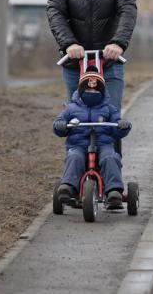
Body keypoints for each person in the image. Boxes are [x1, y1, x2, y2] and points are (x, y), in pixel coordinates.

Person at [53, 66, 132, 208]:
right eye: (88, 90)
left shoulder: (108, 109)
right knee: (74, 157)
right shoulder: (71, 108)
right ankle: (69, 186)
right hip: (78, 144)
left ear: (102, 92)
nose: (92, 92)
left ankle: (114, 190)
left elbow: (116, 125)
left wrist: (122, 126)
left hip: (103, 144)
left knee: (110, 157)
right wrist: (61, 125)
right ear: (81, 90)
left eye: (96, 90)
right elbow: (59, 122)